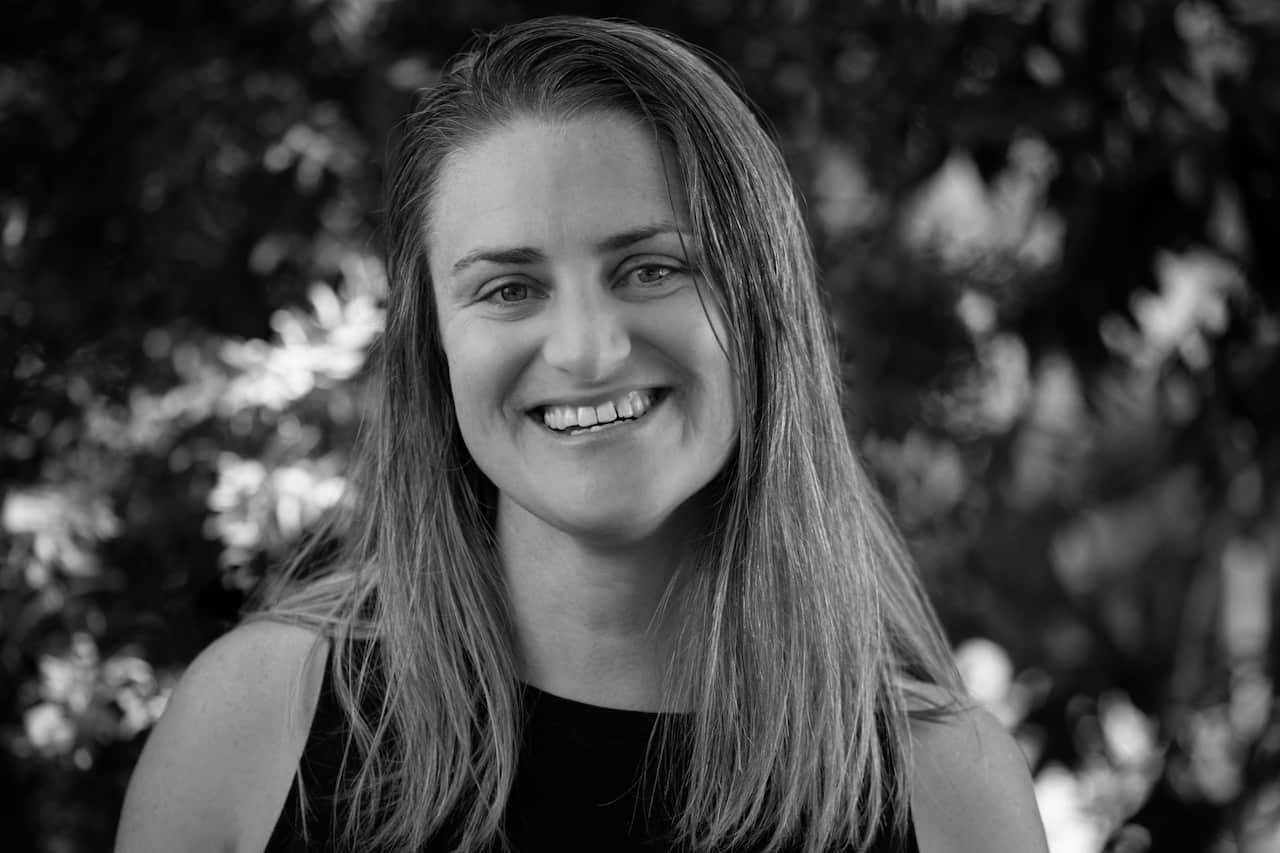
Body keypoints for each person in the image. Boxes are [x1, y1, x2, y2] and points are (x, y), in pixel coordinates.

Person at [115, 16, 1048, 853]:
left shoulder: (948, 788)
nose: (588, 350)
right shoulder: (255, 724)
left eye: (651, 268)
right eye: (509, 288)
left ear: (764, 308)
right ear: (433, 349)